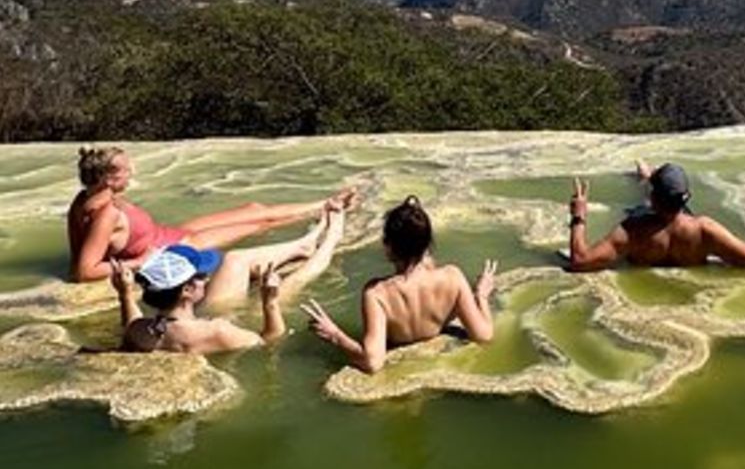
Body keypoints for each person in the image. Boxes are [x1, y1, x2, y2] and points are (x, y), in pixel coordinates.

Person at [68, 145, 356, 282]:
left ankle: (325, 202)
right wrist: (139, 263)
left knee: (253, 210)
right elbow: (83, 270)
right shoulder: (106, 214)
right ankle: (329, 209)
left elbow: (79, 248)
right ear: (107, 178)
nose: (133, 172)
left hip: (173, 232)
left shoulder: (83, 200)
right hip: (179, 245)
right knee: (260, 224)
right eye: (126, 169)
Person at [302, 196, 497, 374]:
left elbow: (373, 363)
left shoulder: (377, 293)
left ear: (388, 247)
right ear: (427, 245)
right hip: (438, 368)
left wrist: (335, 335)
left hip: (403, 371)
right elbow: (484, 336)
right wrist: (481, 296)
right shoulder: (452, 277)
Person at [111, 206, 346, 354]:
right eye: (201, 276)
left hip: (198, 316)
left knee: (234, 259)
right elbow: (269, 340)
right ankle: (331, 239)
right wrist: (270, 301)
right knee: (295, 281)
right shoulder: (217, 331)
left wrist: (125, 294)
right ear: (187, 290)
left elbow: (132, 323)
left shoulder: (140, 332)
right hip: (244, 318)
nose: (207, 278)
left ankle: (305, 244)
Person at [566, 163, 745, 271]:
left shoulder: (633, 231)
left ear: (654, 199)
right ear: (687, 197)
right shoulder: (704, 230)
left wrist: (578, 217)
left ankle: (646, 177)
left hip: (646, 222)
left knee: (642, 203)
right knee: (660, 202)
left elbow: (580, 260)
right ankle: (649, 177)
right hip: (683, 225)